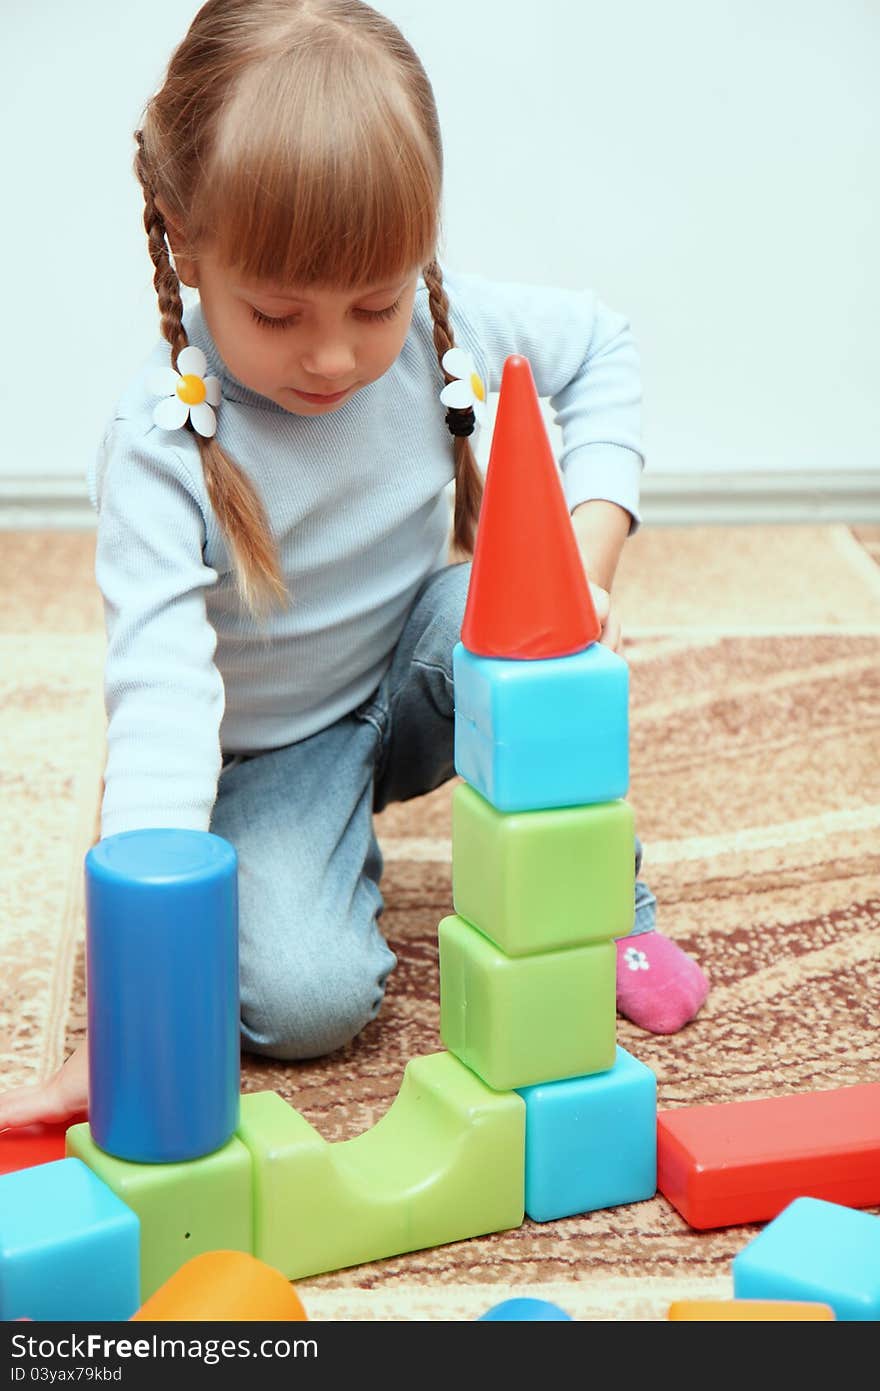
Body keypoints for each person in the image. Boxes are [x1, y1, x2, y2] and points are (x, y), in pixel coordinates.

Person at [0, 0, 708, 1132]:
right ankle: (310, 849)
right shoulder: (157, 446)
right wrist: (131, 1014)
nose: (332, 355)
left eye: (373, 303)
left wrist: (586, 554)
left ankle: (604, 906)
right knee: (308, 1000)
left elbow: (603, 348)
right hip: (266, 753)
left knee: (533, 618)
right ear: (188, 243)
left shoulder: (447, 325)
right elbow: (162, 708)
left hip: (416, 667)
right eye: (277, 313)